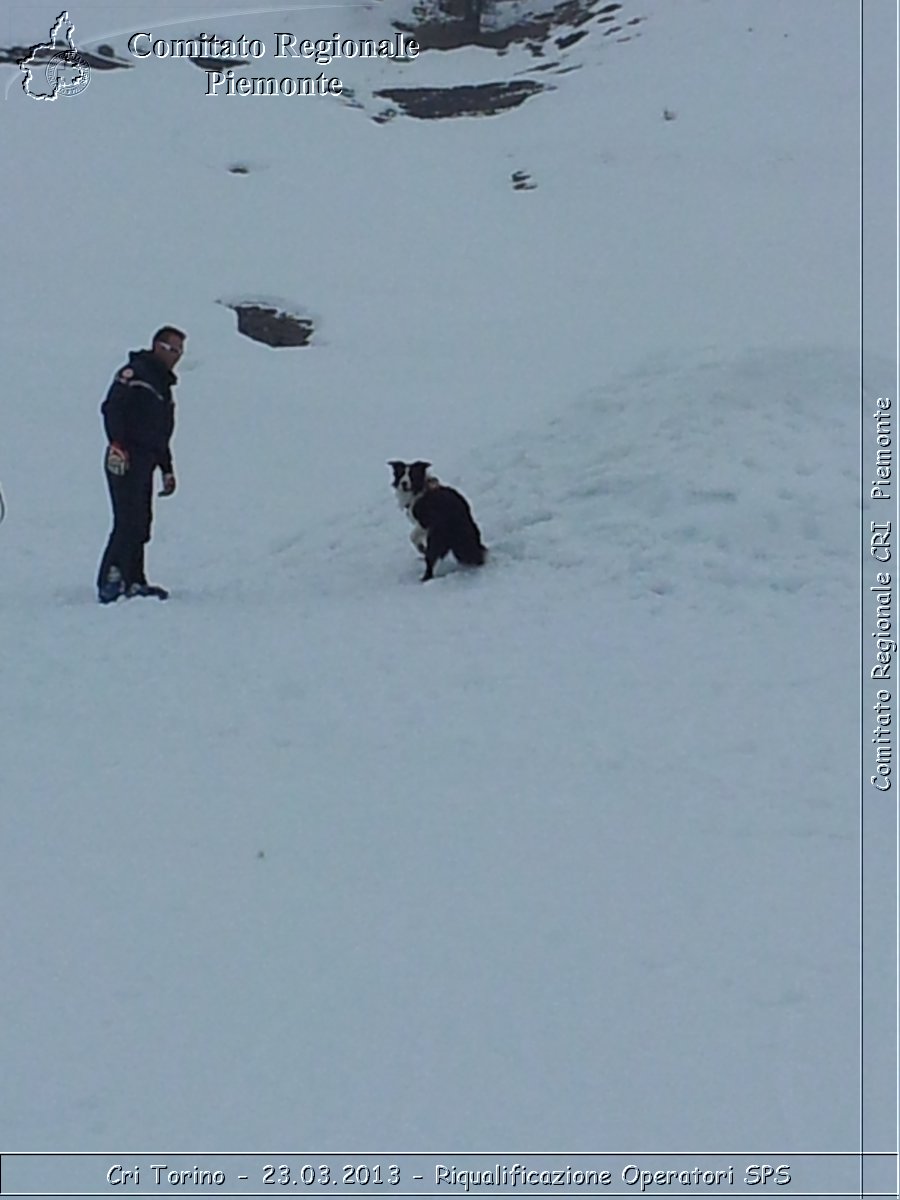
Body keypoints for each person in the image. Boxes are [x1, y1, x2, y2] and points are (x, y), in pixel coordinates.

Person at [96, 326, 185, 603]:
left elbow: (160, 433)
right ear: (158, 346)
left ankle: (134, 579)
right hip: (125, 456)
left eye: (180, 352)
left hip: (147, 459)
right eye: (173, 349)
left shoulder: (162, 385)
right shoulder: (135, 374)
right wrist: (117, 444)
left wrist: (167, 469)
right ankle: (111, 578)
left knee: (141, 522)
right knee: (127, 520)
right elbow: (112, 408)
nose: (177, 356)